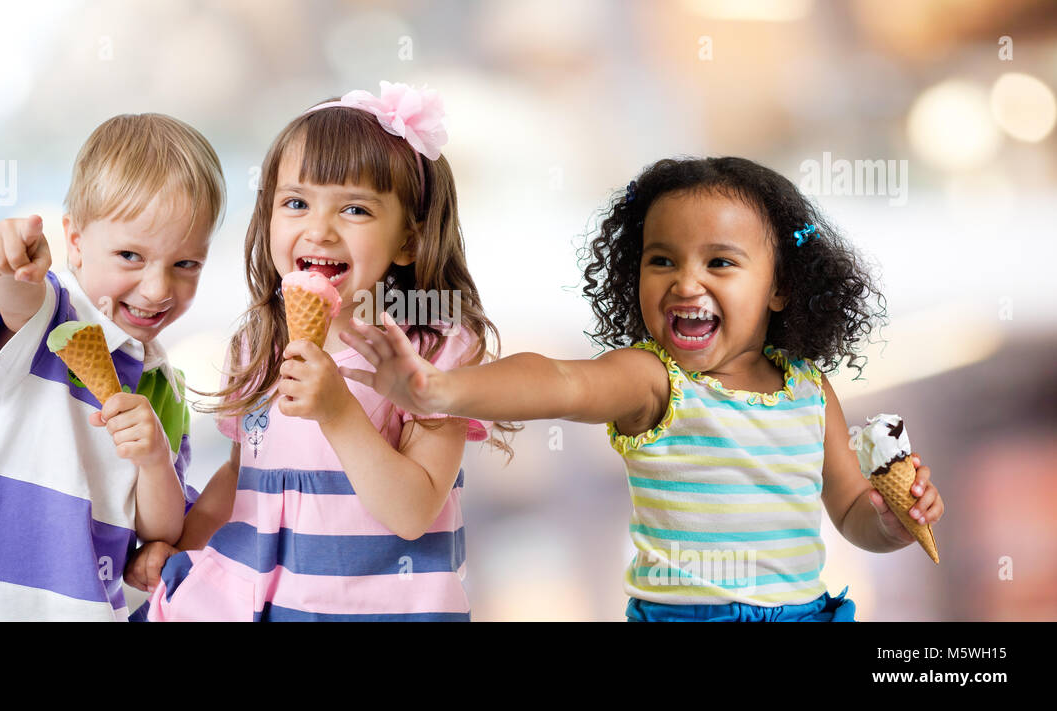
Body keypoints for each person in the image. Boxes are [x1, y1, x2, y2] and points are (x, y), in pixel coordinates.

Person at [340, 156, 945, 621]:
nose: (686, 282)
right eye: (662, 261)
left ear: (780, 288)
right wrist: (442, 389)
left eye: (720, 263)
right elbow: (560, 379)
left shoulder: (810, 391)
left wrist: (889, 523)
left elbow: (848, 510)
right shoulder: (655, 380)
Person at [126, 82, 514, 621]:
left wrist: (338, 411)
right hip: (258, 600)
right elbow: (239, 480)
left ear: (408, 239)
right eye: (296, 203)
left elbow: (412, 511)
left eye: (355, 209)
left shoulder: (433, 346)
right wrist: (183, 547)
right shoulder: (260, 342)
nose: (319, 229)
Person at [0, 114, 226, 621]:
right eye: (130, 255)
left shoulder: (164, 385)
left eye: (186, 264)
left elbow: (159, 530)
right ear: (74, 242)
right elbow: (17, 298)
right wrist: (9, 263)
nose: (158, 288)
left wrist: (153, 459)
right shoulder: (50, 313)